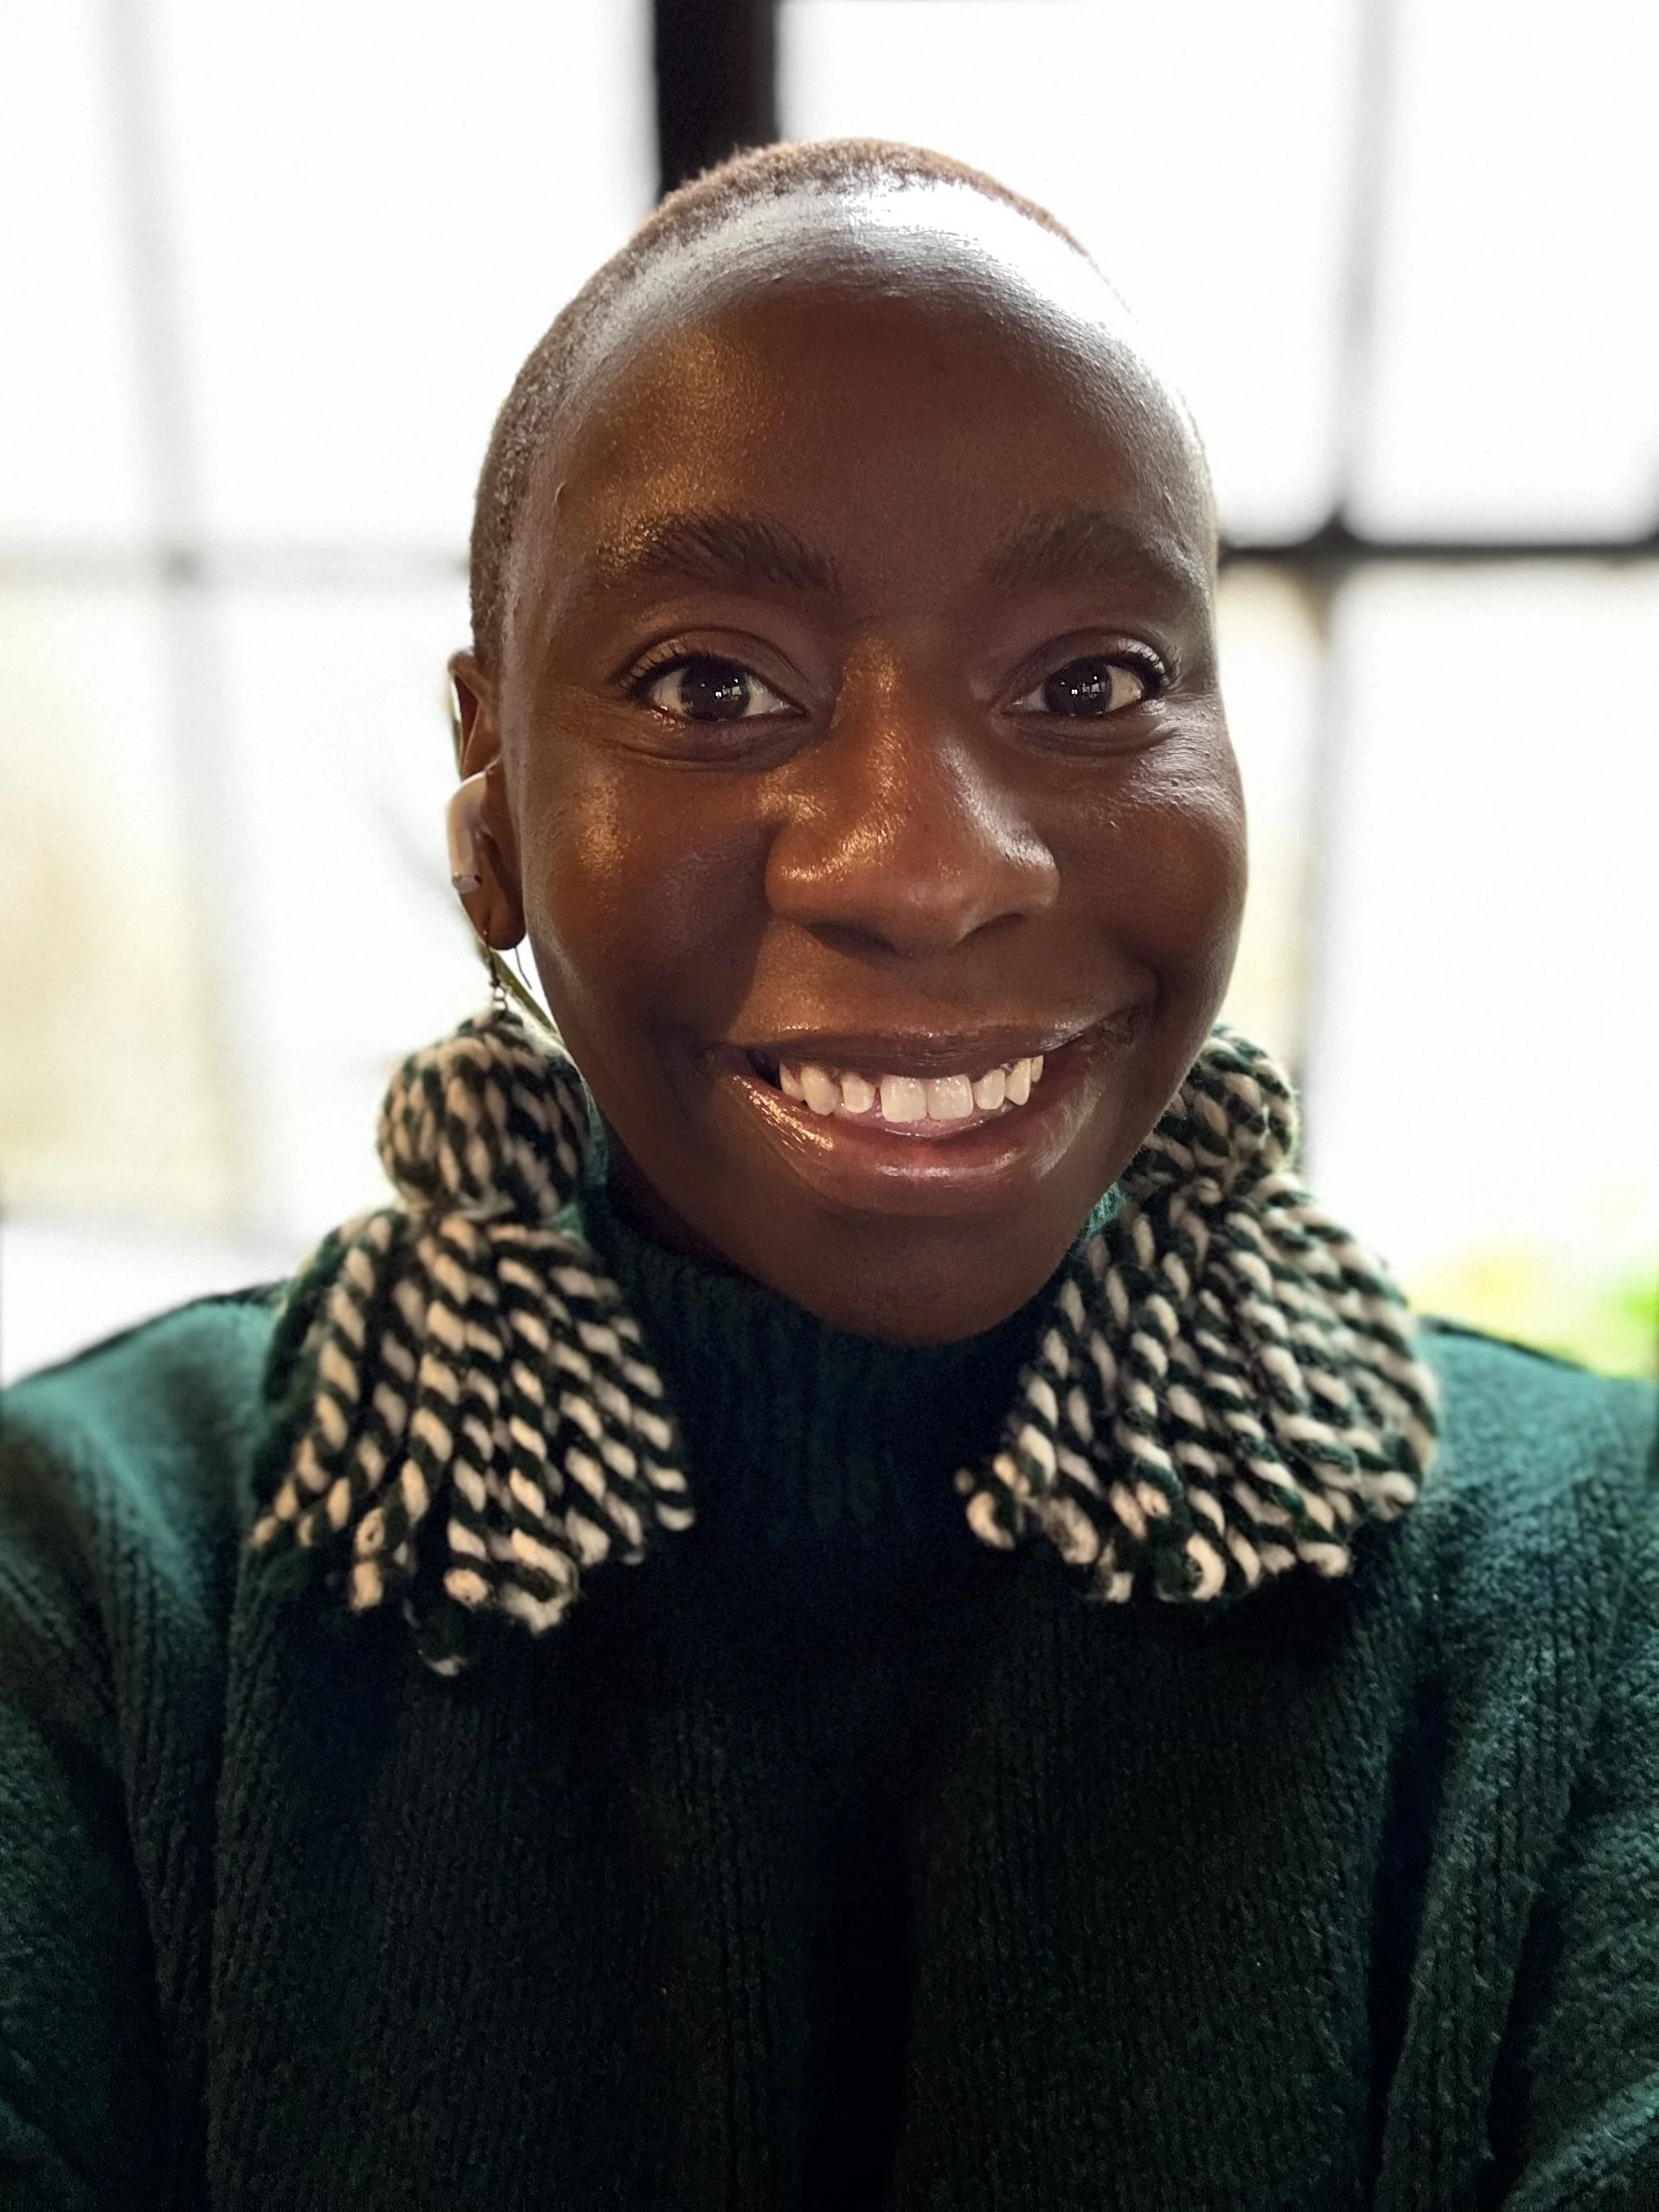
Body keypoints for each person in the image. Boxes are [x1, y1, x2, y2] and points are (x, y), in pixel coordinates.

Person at [1, 138, 1655, 2212]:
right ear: (490, 790)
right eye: (710, 685)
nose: (930, 864)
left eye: (1094, 683)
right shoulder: (85, 1587)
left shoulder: (1593, 1590)